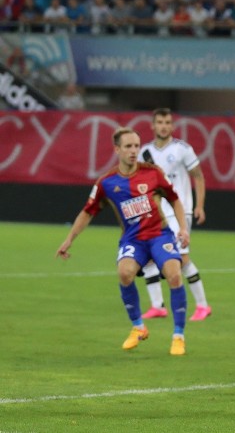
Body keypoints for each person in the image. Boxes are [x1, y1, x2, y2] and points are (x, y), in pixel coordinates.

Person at [55, 127, 189, 356]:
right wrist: (69, 239)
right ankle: (138, 327)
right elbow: (88, 212)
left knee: (174, 274)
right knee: (124, 273)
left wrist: (183, 228)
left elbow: (175, 200)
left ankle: (178, 335)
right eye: (128, 146)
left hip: (159, 235)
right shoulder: (107, 183)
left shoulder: (153, 173)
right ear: (117, 149)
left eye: (137, 146)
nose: (134, 151)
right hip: (133, 239)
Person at [138, 108, 212, 322]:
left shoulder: (182, 149)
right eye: (160, 122)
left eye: (167, 122)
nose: (164, 125)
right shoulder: (144, 152)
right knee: (148, 256)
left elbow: (198, 177)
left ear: (172, 125)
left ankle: (202, 306)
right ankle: (157, 305)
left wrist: (200, 205)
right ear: (153, 125)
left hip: (181, 211)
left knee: (182, 258)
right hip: (156, 213)